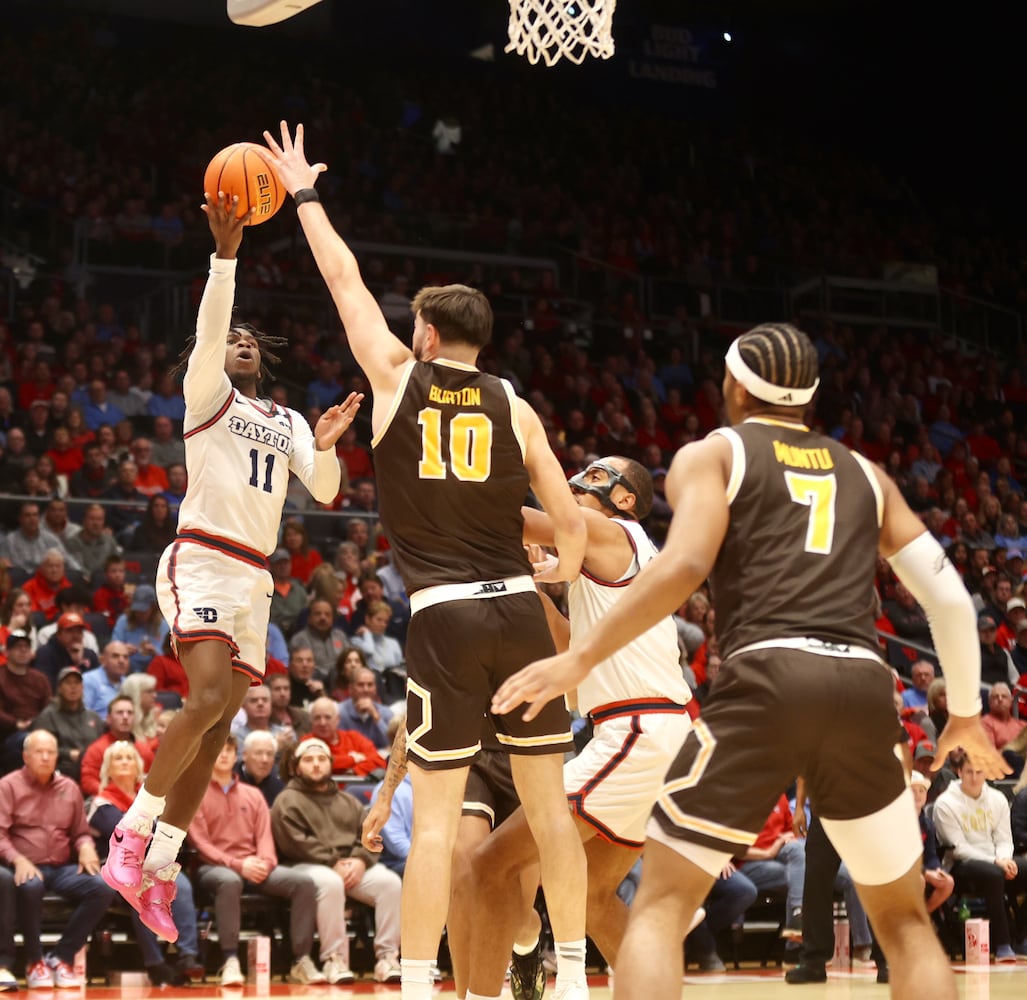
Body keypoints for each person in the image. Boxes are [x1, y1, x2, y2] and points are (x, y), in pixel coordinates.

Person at [491, 322, 1009, 1000]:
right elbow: (947, 597)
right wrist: (964, 715)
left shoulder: (713, 455)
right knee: (907, 924)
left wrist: (578, 657)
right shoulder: (866, 473)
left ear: (734, 385)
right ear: (809, 396)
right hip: (859, 685)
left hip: (764, 676)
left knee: (658, 908)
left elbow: (681, 565)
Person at [265, 120, 588, 1000]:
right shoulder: (516, 404)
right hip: (521, 609)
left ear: (432, 338)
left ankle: (412, 985)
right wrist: (548, 578)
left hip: (445, 617)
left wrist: (304, 192)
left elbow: (341, 277)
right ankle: (569, 977)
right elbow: (569, 525)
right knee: (549, 809)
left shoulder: (397, 377)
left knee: (438, 821)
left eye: (413, 327)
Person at [100, 193, 361, 942]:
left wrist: (328, 439)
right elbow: (213, 326)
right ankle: (132, 832)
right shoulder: (205, 395)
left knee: (219, 726)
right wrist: (224, 259)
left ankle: (157, 869)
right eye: (234, 338)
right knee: (206, 694)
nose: (241, 342)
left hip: (254, 577)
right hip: (204, 557)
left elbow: (325, 488)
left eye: (252, 339)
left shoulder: (282, 421)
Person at [463, 457, 692, 998]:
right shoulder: (611, 560)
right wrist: (533, 584)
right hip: (654, 731)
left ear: (626, 498)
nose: (576, 479)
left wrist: (461, 487)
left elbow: (516, 519)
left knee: (490, 866)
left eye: (594, 474)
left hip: (635, 731)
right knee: (590, 896)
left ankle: (494, 985)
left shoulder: (613, 531)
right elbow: (571, 649)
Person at [188, 736, 326, 985]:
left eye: (228, 750)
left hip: (254, 866)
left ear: (236, 756)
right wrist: (239, 865)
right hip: (213, 868)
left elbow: (264, 836)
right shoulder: (195, 793)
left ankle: (301, 960)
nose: (223, 755)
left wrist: (266, 863)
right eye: (217, 750)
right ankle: (230, 960)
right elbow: (201, 844)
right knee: (229, 881)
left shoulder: (252, 794)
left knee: (303, 882)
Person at [271, 738, 402, 984]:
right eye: (309, 760)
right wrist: (333, 862)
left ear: (331, 764)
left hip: (351, 865)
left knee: (390, 883)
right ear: (297, 767)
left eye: (322, 759)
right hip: (305, 865)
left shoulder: (348, 801)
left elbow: (368, 836)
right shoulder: (287, 800)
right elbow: (295, 842)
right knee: (330, 883)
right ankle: (334, 959)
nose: (316, 765)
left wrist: (361, 860)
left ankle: (388, 958)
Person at [0, 730, 115, 988]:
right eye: (39, 752)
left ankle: (61, 957)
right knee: (31, 885)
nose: (45, 757)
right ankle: (34, 961)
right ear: (25, 756)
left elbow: (80, 833)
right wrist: (17, 859)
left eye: (50, 752)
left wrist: (85, 846)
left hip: (62, 868)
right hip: (25, 866)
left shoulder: (69, 788)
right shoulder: (8, 786)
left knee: (103, 887)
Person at [87, 741, 203, 982]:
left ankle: (188, 956)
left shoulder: (158, 798)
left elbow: (166, 830)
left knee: (184, 885)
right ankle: (155, 962)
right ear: (107, 768)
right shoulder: (100, 802)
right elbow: (113, 828)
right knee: (136, 885)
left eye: (129, 757)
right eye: (118, 758)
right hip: (116, 868)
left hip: (149, 862)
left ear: (139, 766)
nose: (125, 762)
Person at [933, 753, 1027, 960]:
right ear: (959, 772)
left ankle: (1021, 935)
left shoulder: (997, 799)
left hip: (997, 860)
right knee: (993, 873)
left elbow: (1004, 839)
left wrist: (1005, 859)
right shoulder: (945, 803)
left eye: (979, 772)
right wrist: (996, 862)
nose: (974, 778)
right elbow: (958, 848)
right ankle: (1003, 945)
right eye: (969, 772)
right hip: (960, 865)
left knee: (1020, 868)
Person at [30, 666, 103, 783]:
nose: (73, 687)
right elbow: (38, 749)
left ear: (82, 687)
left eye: (77, 683)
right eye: (68, 683)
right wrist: (68, 753)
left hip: (94, 769)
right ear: (59, 688)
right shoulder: (48, 716)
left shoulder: (93, 717)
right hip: (63, 770)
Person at [338, 664, 394, 749]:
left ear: (375, 688)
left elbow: (392, 745)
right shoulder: (339, 712)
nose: (366, 689)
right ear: (350, 688)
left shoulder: (386, 713)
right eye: (360, 685)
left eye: (370, 685)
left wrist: (376, 718)